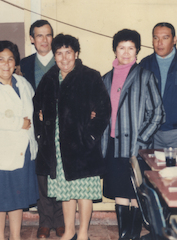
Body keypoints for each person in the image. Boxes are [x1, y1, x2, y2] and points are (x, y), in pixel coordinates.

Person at [33, 34, 111, 240]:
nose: (64, 58)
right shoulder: (49, 78)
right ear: (54, 55)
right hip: (58, 146)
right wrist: (42, 121)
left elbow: (104, 111)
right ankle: (69, 231)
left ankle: (83, 233)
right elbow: (37, 105)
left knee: (83, 192)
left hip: (83, 146)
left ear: (76, 54)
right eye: (59, 53)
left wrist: (90, 137)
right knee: (66, 191)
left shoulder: (90, 76)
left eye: (68, 52)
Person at [101, 29, 165, 240]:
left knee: (135, 194)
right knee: (120, 192)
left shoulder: (145, 76)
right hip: (113, 144)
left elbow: (157, 112)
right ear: (115, 50)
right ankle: (124, 236)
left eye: (131, 48)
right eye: (122, 48)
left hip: (137, 147)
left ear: (137, 51)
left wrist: (141, 140)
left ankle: (133, 236)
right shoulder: (106, 79)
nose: (126, 53)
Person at [0, 40, 39, 240]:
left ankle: (16, 236)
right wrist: (19, 123)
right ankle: (1, 238)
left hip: (22, 150)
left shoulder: (23, 83)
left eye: (10, 59)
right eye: (0, 59)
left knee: (17, 198)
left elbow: (34, 107)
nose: (6, 64)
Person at [20, 20, 65, 238]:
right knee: (42, 175)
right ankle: (45, 221)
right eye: (39, 36)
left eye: (48, 35)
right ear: (32, 39)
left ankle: (61, 220)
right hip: (37, 129)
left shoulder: (64, 60)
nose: (44, 40)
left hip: (62, 127)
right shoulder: (24, 64)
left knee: (61, 174)